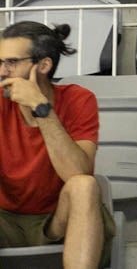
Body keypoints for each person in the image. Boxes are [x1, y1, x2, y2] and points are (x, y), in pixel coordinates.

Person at [0, 20, 111, 269]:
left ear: (43, 65)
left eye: (12, 62)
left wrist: (42, 109)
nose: (2, 71)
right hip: (5, 220)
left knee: (84, 185)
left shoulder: (78, 99)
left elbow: (76, 172)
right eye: (0, 62)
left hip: (58, 220)